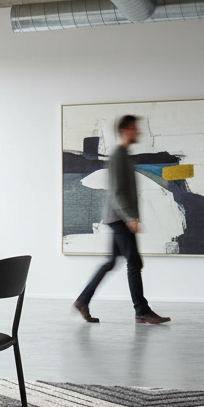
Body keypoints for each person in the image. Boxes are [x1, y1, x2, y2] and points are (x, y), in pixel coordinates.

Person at [73, 115, 171, 325]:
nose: (138, 132)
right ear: (126, 130)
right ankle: (141, 311)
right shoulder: (118, 155)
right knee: (134, 263)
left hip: (118, 218)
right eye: (135, 128)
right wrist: (130, 218)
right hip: (120, 219)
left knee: (112, 263)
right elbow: (116, 192)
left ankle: (83, 300)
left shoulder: (123, 155)